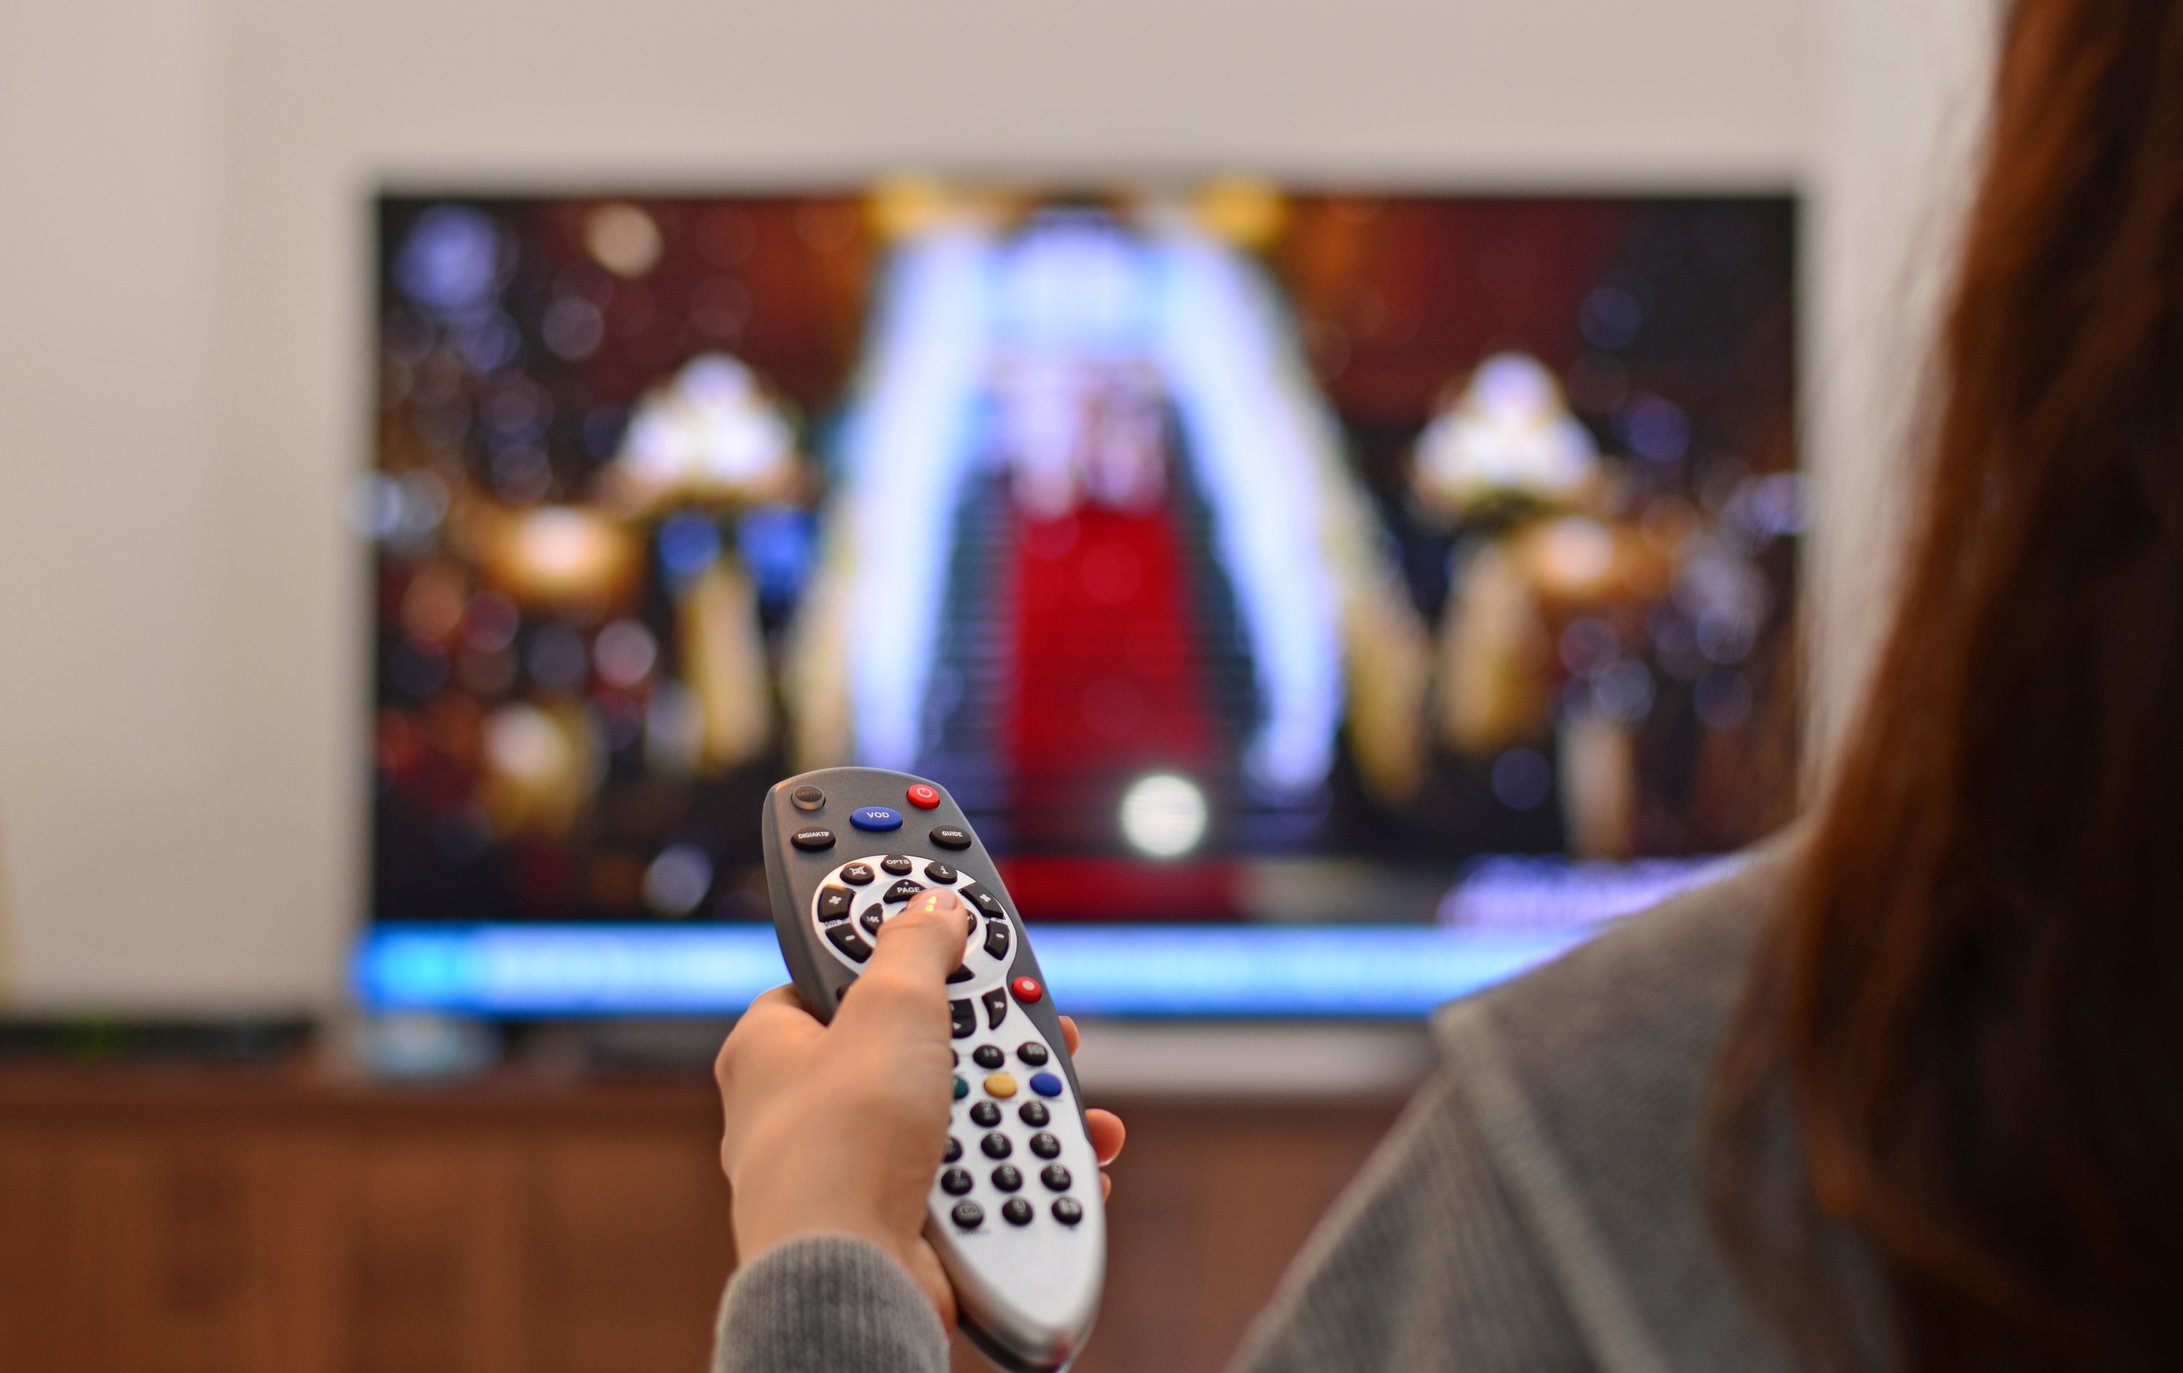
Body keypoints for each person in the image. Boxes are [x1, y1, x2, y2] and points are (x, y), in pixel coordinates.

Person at [707, 0, 2183, 1367]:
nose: (1086, 392)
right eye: (1044, 366)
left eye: (1119, 371)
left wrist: (824, 1263)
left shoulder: (1667, 1101)